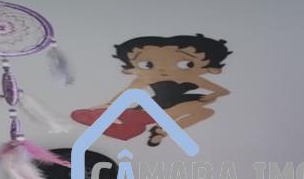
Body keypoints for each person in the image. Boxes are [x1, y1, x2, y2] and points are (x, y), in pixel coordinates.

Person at [71, 33, 231, 146]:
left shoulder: (193, 78)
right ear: (130, 68)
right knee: (197, 109)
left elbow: (222, 91)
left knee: (204, 111)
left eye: (186, 64)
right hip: (150, 109)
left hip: (172, 107)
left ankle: (161, 131)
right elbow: (127, 93)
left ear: (210, 67)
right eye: (148, 64)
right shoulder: (145, 79)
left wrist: (210, 97)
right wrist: (109, 104)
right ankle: (158, 130)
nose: (164, 69)